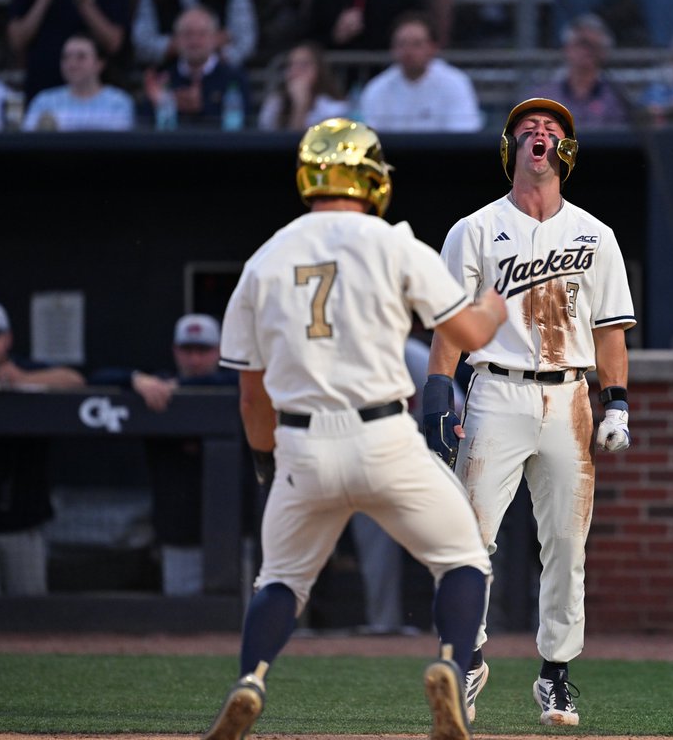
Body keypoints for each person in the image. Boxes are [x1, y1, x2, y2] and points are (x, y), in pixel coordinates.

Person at [202, 117, 507, 740]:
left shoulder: (266, 257)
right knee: (464, 561)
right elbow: (470, 336)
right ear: (370, 179)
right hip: (383, 437)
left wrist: (267, 460)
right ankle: (450, 667)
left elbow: (249, 396)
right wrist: (494, 307)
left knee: (282, 579)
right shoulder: (393, 242)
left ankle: (252, 678)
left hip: (300, 444)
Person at [422, 97, 636, 727]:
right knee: (469, 535)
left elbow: (610, 330)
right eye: (527, 130)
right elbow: (451, 323)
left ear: (566, 151)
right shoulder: (476, 228)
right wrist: (438, 389)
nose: (539, 135)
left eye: (551, 130)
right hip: (497, 388)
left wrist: (616, 401)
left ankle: (556, 675)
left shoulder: (596, 234)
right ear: (510, 148)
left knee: (567, 544)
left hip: (570, 394)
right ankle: (469, 656)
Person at [87, 313, 240, 596]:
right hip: (179, 528)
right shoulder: (155, 387)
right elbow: (96, 379)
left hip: (237, 531)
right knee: (183, 620)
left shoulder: (234, 385)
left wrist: (179, 389)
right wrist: (134, 380)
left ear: (219, 351)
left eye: (203, 350)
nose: (194, 359)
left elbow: (238, 383)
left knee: (238, 619)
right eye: (187, 350)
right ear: (175, 351)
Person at [0, 301, 86, 596]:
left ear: (8, 339)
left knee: (29, 615)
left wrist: (23, 382)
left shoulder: (27, 369)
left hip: (22, 524)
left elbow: (75, 380)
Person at [349, 334, 466, 635]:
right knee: (374, 543)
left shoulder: (411, 354)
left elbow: (459, 406)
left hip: (424, 461)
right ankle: (383, 624)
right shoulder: (349, 356)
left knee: (447, 541)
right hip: (374, 462)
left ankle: (450, 623)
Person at [7, 0, 131, 102]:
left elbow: (114, 43)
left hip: (94, 100)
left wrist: (85, 5)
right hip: (43, 92)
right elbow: (16, 40)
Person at [357, 12, 483, 132]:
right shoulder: (377, 88)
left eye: (416, 44)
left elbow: (464, 133)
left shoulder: (455, 83)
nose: (408, 51)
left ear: (433, 48)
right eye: (401, 44)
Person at [142, 5, 253, 128]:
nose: (194, 41)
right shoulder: (163, 79)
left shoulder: (234, 78)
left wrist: (202, 107)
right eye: (187, 34)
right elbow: (144, 127)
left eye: (202, 34)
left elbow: (244, 125)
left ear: (215, 39)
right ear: (176, 39)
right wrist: (161, 104)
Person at [523, 13, 629, 130]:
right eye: (582, 44)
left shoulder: (617, 98)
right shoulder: (542, 98)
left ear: (604, 52)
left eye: (595, 45)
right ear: (567, 49)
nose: (588, 51)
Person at [22, 33, 136, 130]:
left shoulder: (118, 102)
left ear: (99, 64)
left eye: (81, 57)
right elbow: (28, 144)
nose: (72, 64)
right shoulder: (44, 101)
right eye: (66, 57)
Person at [257, 40, 351, 131]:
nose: (295, 71)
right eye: (291, 65)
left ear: (319, 70)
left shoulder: (335, 108)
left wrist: (302, 105)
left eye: (303, 65)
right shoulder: (275, 103)